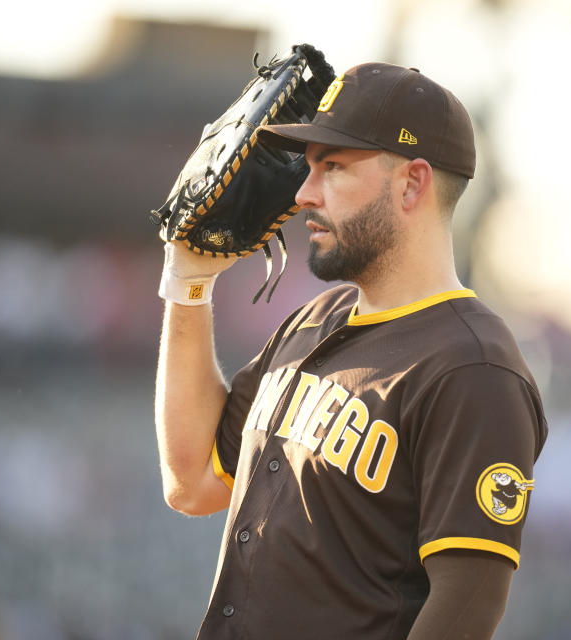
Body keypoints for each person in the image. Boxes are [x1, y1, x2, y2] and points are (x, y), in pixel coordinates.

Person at [154, 61, 548, 640]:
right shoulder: (313, 321)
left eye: (332, 168)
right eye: (309, 166)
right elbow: (192, 483)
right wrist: (188, 283)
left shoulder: (473, 369)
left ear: (412, 183)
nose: (304, 193)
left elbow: (468, 606)